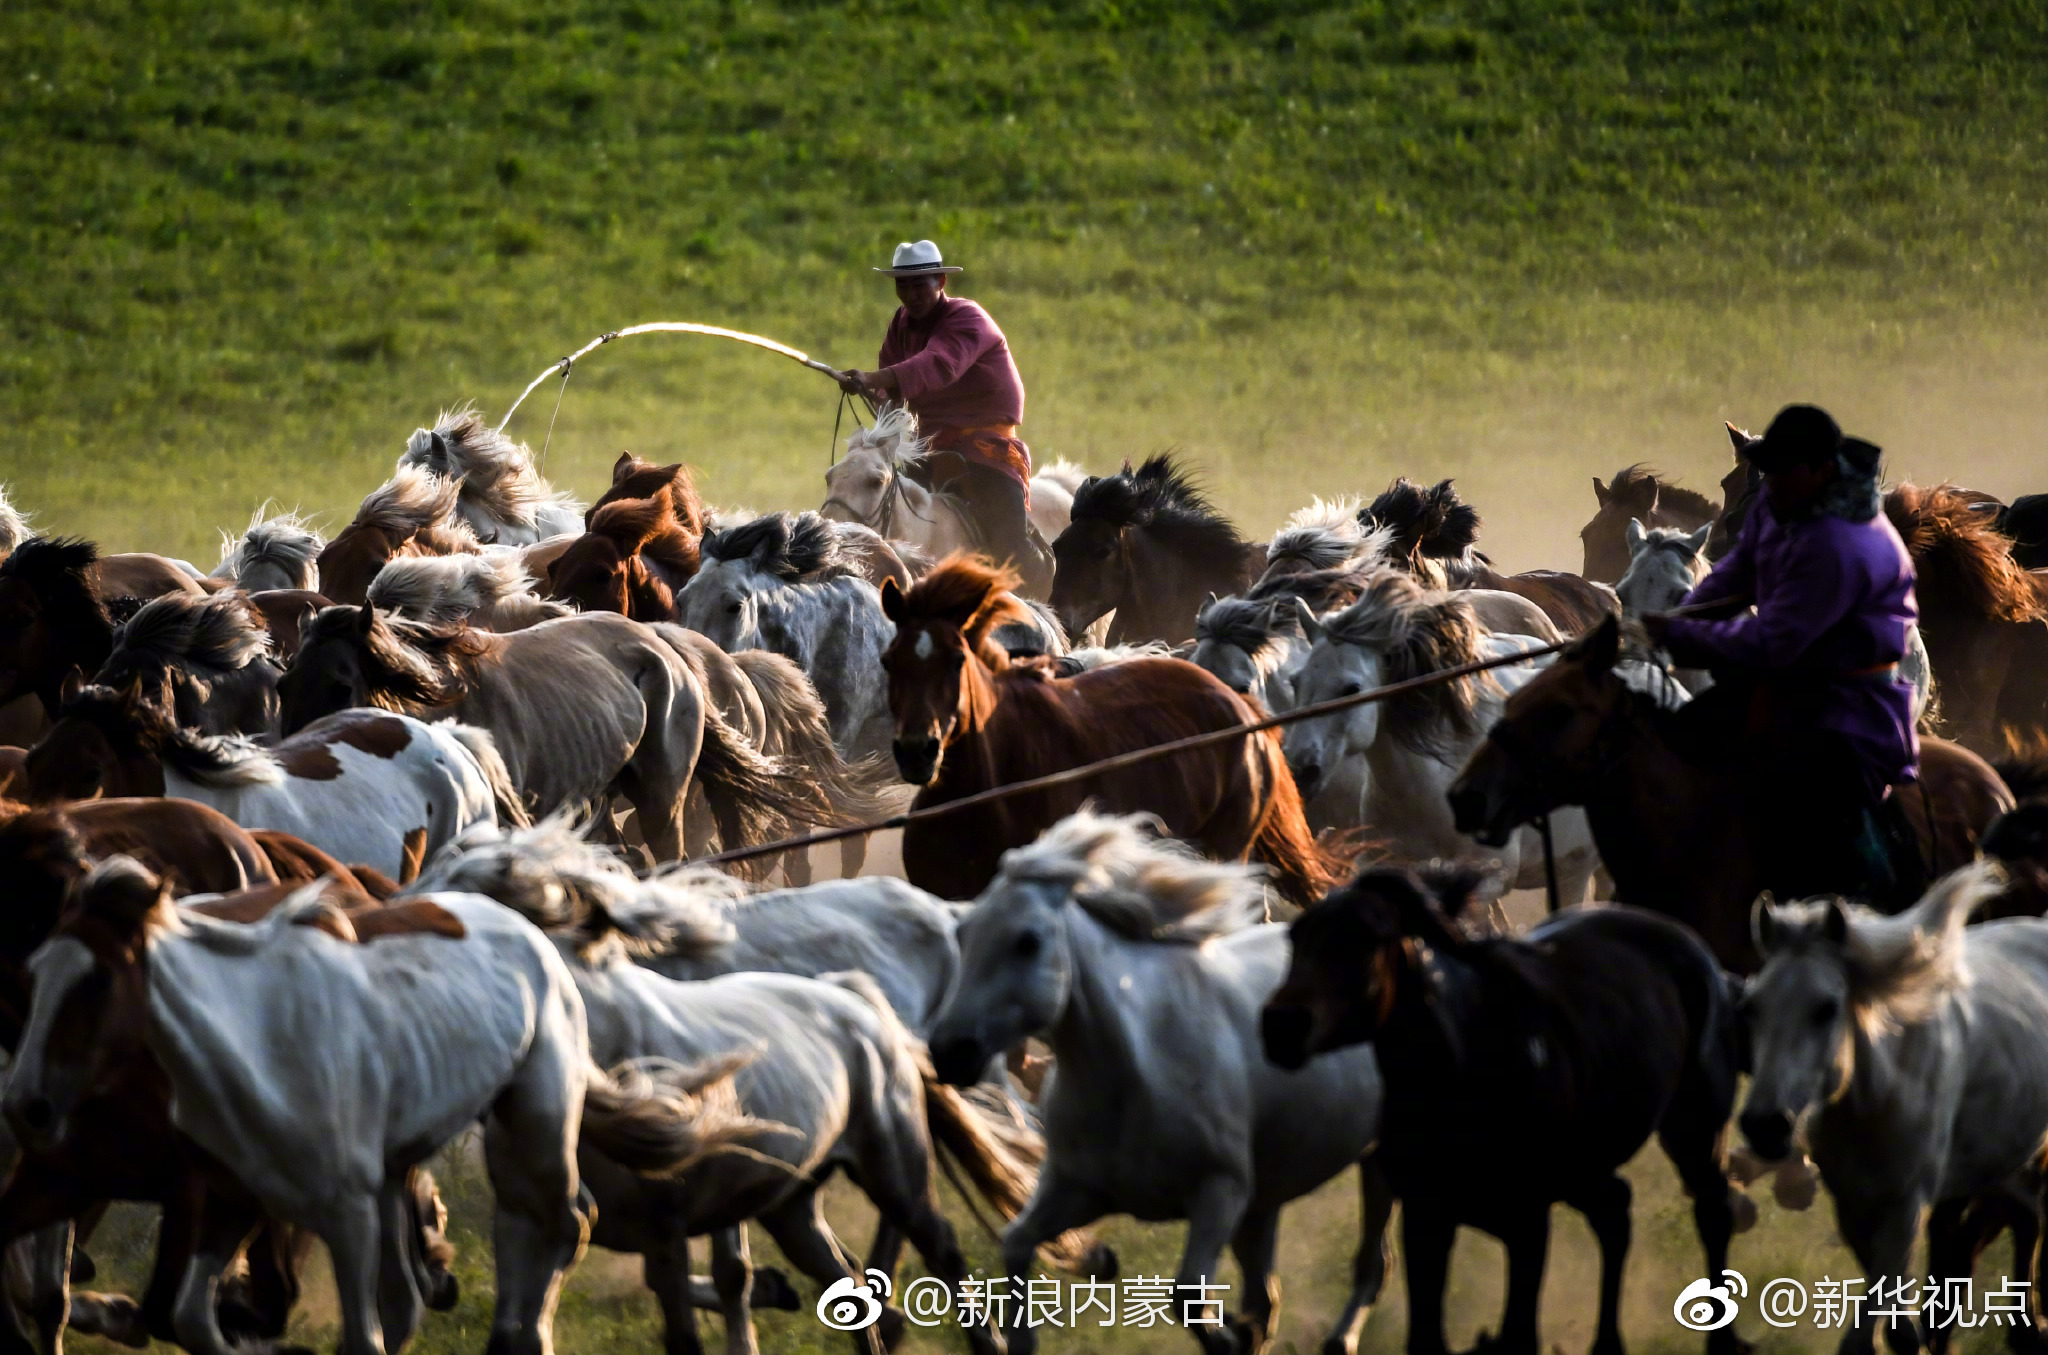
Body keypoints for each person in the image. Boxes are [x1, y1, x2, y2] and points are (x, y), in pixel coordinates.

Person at [1646, 403, 1922, 905]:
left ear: (1821, 470)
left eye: (1781, 470)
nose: (1768, 481)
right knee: (1674, 742)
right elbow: (1739, 570)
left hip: (1848, 707)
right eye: (1766, 469)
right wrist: (1684, 615)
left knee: (1815, 820)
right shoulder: (1780, 506)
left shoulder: (1843, 544)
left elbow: (1773, 643)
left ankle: (1868, 902)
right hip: (1784, 687)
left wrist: (1676, 636)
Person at [836, 240, 1053, 596]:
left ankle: (1052, 610)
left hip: (987, 451)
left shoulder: (968, 317)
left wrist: (875, 379)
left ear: (941, 282)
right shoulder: (900, 325)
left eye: (919, 284)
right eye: (902, 285)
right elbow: (892, 393)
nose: (910, 294)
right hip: (930, 452)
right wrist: (867, 388)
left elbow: (937, 364)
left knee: (1010, 547)